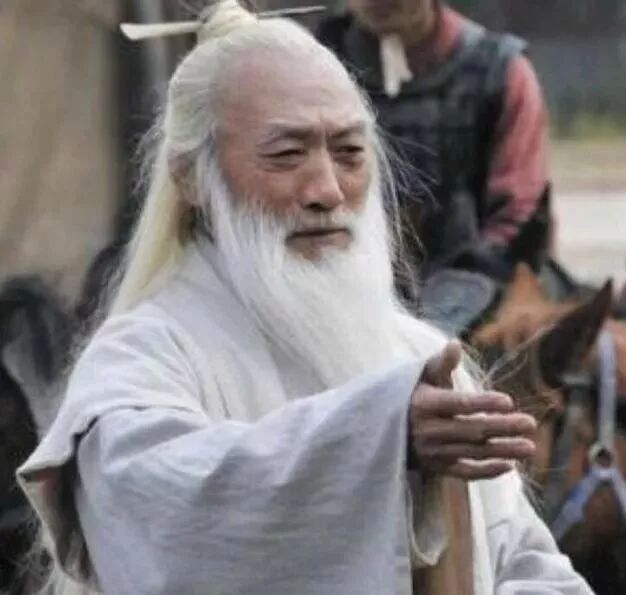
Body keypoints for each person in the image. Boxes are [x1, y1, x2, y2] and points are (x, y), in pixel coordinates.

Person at [18, 2, 590, 594]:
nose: (327, 190)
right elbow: (158, 508)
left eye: (349, 153)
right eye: (287, 155)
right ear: (192, 177)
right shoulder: (142, 358)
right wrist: (379, 438)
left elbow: (525, 562)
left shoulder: (417, 355)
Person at [316, 0, 552, 290]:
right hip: (345, 285)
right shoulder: (312, 70)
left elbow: (518, 218)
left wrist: (458, 294)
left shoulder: (501, 72)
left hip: (479, 286)